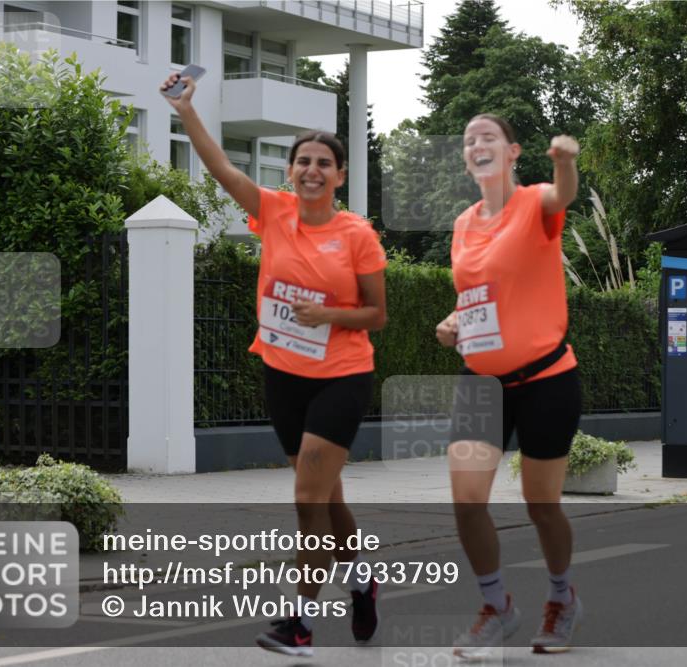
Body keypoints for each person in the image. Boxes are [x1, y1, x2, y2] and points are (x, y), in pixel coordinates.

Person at [161, 71, 387, 658]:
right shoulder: (274, 212)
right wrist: (185, 112)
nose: (312, 170)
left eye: (324, 163)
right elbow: (221, 170)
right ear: (290, 171)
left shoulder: (357, 235)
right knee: (327, 497)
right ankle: (361, 583)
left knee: (307, 499)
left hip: (341, 376)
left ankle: (300, 623)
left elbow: (377, 315)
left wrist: (327, 315)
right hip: (283, 375)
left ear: (339, 176)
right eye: (303, 161)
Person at [435, 113, 584, 658]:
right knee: (467, 501)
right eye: (470, 138)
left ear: (512, 152)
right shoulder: (462, 224)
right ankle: (496, 606)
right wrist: (454, 324)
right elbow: (478, 296)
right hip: (480, 380)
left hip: (546, 378)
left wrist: (565, 161)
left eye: (489, 137)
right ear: (466, 156)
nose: (478, 143)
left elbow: (561, 196)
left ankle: (563, 598)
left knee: (541, 504)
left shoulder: (534, 202)